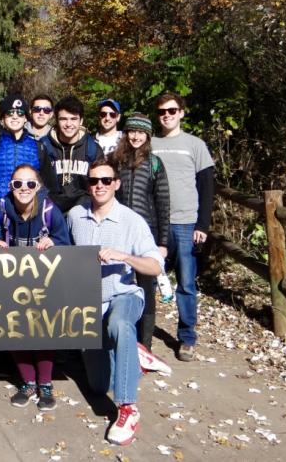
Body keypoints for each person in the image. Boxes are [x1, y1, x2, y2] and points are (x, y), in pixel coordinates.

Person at [68, 158, 164, 445]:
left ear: (116, 184)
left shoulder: (132, 221)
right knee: (99, 386)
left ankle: (127, 408)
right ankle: (132, 352)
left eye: (105, 181)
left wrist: (125, 257)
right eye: (94, 181)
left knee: (120, 324)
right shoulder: (75, 215)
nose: (99, 186)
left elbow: (155, 266)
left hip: (124, 296)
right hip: (90, 303)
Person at [0, 164, 70, 411]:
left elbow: (67, 245)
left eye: (30, 183)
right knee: (13, 328)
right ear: (10, 186)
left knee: (43, 329)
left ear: (38, 187)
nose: (24, 188)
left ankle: (45, 383)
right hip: (10, 280)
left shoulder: (50, 211)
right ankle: (28, 382)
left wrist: (55, 242)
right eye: (18, 183)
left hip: (44, 281)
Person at [151, 92, 214, 361]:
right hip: (156, 223)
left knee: (186, 283)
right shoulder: (150, 143)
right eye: (162, 111)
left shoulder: (195, 145)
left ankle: (187, 337)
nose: (167, 115)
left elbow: (207, 186)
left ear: (182, 112)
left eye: (172, 110)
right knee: (147, 280)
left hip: (186, 223)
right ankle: (142, 336)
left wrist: (203, 224)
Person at [113, 114, 171, 350]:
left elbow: (163, 203)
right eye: (131, 132)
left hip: (148, 235)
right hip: (120, 233)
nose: (136, 136)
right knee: (119, 285)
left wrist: (163, 242)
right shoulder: (115, 162)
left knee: (147, 291)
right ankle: (119, 339)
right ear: (125, 134)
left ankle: (143, 345)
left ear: (147, 136)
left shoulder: (155, 163)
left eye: (141, 132)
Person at [0, 93, 56, 208]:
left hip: (31, 211)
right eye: (10, 113)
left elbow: (49, 184)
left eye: (20, 113)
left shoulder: (38, 147)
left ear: (26, 118)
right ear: (2, 118)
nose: (15, 116)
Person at [41, 96, 103, 214]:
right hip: (50, 212)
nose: (68, 124)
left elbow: (100, 186)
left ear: (81, 121)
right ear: (56, 120)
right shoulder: (43, 147)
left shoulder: (93, 149)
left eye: (73, 119)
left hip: (84, 212)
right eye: (63, 119)